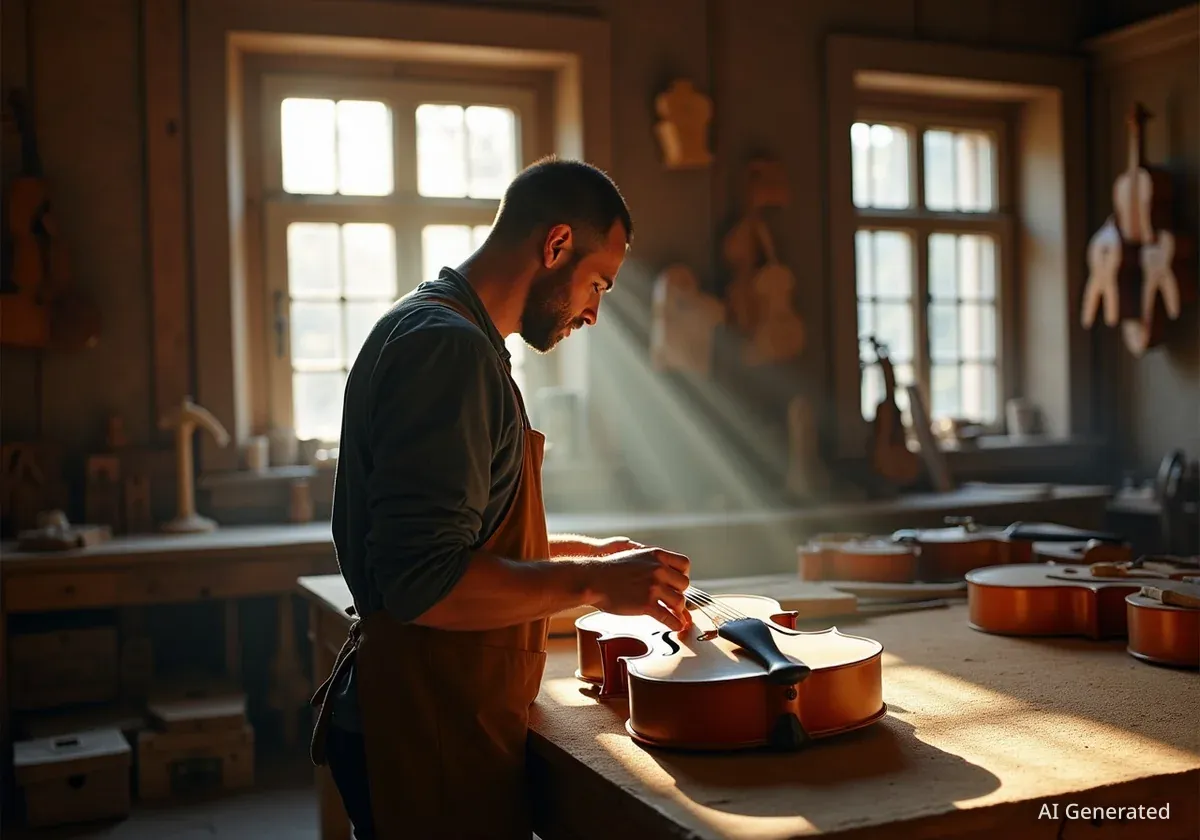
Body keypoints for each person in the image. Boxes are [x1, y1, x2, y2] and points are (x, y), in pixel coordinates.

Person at [309, 156, 693, 840]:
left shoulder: (447, 331)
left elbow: (470, 544)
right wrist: (592, 583)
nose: (594, 312)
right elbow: (423, 583)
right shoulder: (447, 351)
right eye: (597, 284)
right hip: (426, 724)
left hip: (440, 709)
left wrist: (590, 557)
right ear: (556, 245)